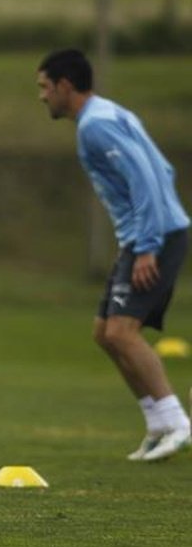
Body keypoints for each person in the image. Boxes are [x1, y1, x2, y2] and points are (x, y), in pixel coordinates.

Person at [37, 48, 191, 462]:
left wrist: (148, 246)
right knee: (105, 333)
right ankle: (158, 424)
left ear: (65, 86)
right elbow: (165, 170)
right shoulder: (108, 113)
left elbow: (146, 179)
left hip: (155, 237)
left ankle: (178, 423)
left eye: (45, 87)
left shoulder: (97, 127)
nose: (42, 96)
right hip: (145, 235)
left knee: (122, 332)